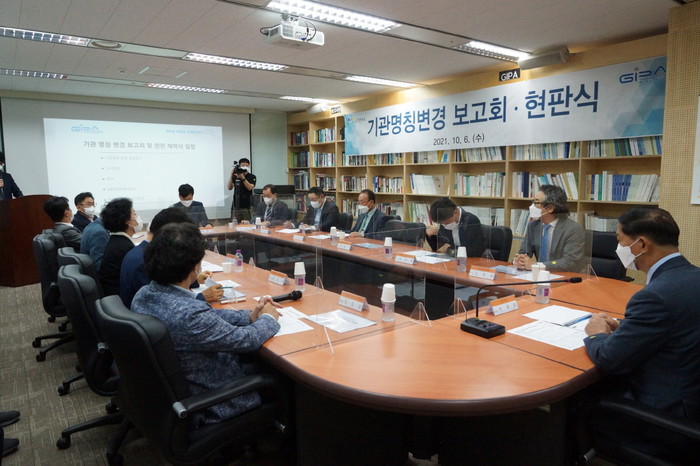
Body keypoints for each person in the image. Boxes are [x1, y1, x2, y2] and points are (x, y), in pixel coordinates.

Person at [131, 222, 281, 426]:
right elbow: (246, 340)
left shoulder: (145, 293)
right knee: (279, 375)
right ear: (195, 268)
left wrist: (250, 316)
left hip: (171, 392)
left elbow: (210, 318)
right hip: (212, 400)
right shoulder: (189, 314)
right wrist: (268, 319)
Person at [583, 207, 700, 460]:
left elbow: (609, 359)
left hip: (665, 420)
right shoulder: (693, 276)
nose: (618, 248)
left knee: (578, 398)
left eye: (620, 241)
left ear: (642, 244)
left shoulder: (655, 296)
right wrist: (626, 327)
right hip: (690, 396)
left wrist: (595, 334)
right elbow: (677, 326)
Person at [120, 207, 224, 308]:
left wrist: (193, 280)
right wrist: (201, 297)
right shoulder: (143, 261)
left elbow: (165, 285)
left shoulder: (142, 251)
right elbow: (159, 303)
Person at [513, 184, 585, 272]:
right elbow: (524, 252)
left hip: (564, 275)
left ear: (550, 208)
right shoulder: (533, 225)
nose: (532, 206)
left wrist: (537, 266)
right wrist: (519, 261)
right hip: (538, 274)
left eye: (536, 203)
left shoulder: (573, 229)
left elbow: (569, 261)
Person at [99, 198, 142, 296]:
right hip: (121, 298)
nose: (137, 217)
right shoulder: (125, 248)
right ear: (127, 221)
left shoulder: (116, 241)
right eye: (134, 213)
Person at [227, 158, 256, 223]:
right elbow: (229, 187)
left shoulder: (252, 176)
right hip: (235, 205)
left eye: (247, 165)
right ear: (239, 166)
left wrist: (242, 178)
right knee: (234, 223)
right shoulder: (235, 176)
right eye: (243, 165)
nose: (245, 167)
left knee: (246, 224)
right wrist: (231, 176)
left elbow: (250, 187)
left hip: (246, 206)